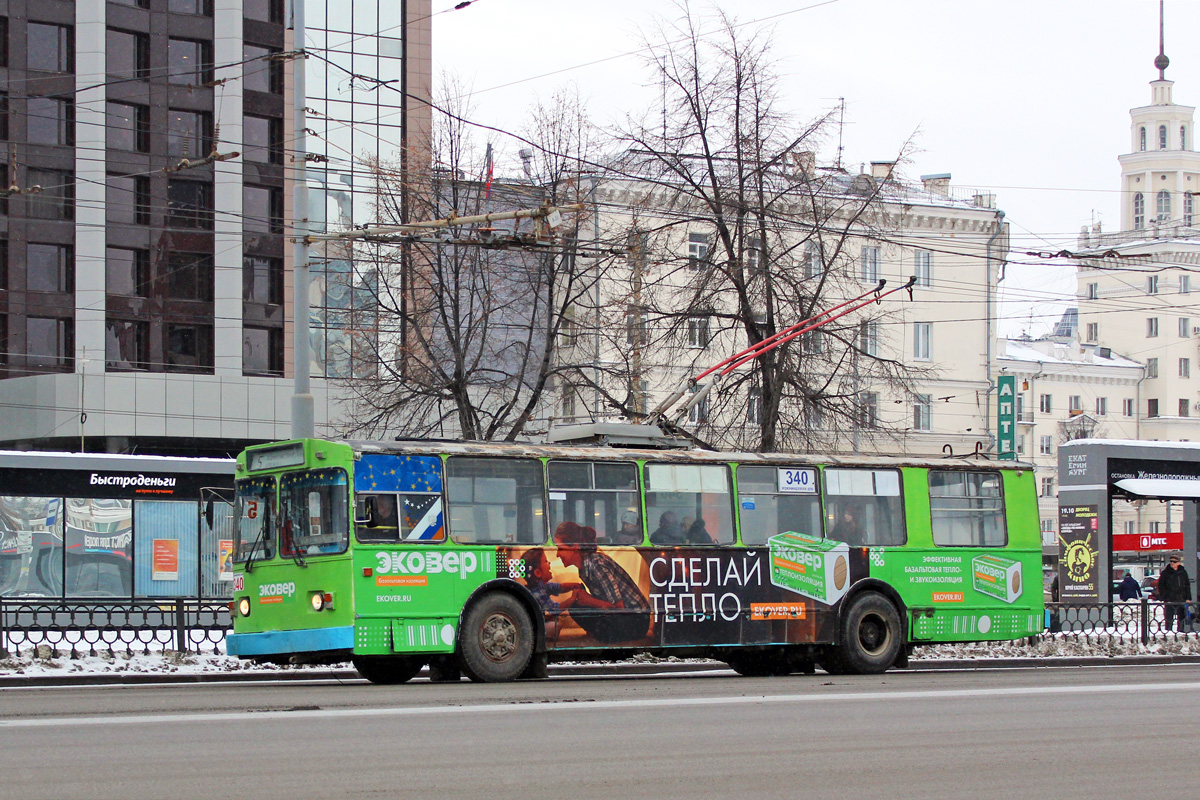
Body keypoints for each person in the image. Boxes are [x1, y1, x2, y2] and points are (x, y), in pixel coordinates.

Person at [554, 521, 651, 643]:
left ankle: (604, 635)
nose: (557, 554)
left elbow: (619, 607)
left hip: (636, 620)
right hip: (625, 618)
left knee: (583, 610)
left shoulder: (597, 565)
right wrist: (584, 598)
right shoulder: (583, 569)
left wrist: (589, 600)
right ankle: (601, 633)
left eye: (560, 548)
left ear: (575, 547)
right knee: (576, 607)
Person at [1157, 555, 1191, 632]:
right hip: (1170, 598)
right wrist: (1164, 596)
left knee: (1181, 617)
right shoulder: (1166, 573)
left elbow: (1187, 585)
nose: (1172, 563)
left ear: (1179, 563)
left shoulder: (1183, 572)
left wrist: (1188, 598)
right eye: (1171, 561)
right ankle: (1168, 632)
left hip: (1181, 598)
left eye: (1174, 562)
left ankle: (1181, 631)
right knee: (1169, 617)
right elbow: (1161, 585)